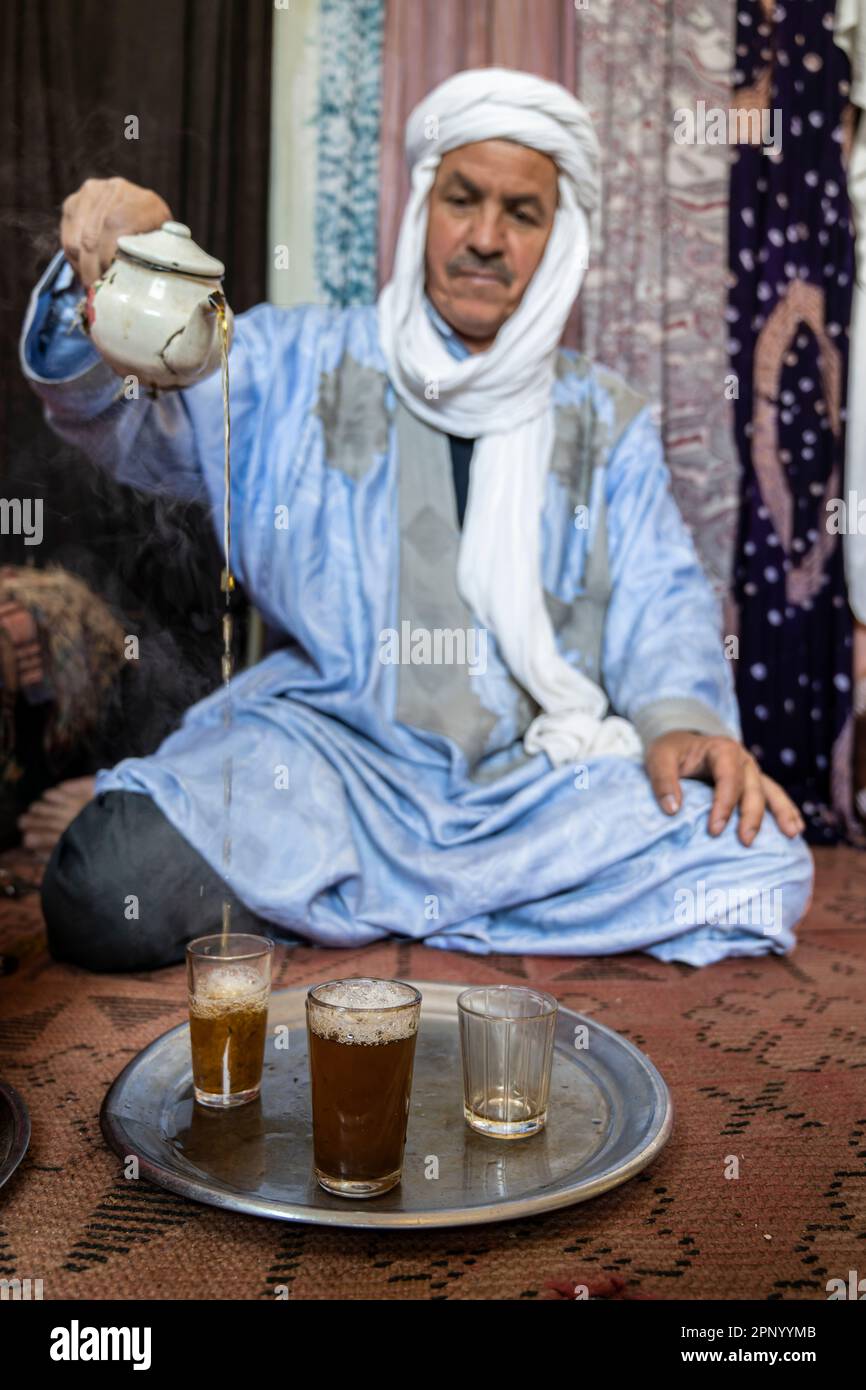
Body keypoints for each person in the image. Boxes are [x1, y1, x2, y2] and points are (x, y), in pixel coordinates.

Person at [20, 68, 813, 972]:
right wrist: (125, 274)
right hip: (334, 761)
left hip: (535, 782)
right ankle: (419, 897)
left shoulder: (608, 420)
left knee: (760, 864)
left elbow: (660, 599)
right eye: (462, 199)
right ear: (420, 206)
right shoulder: (297, 360)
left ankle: (331, 900)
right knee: (104, 886)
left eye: (522, 213)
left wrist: (680, 724)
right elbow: (126, 416)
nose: (484, 237)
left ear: (558, 239)